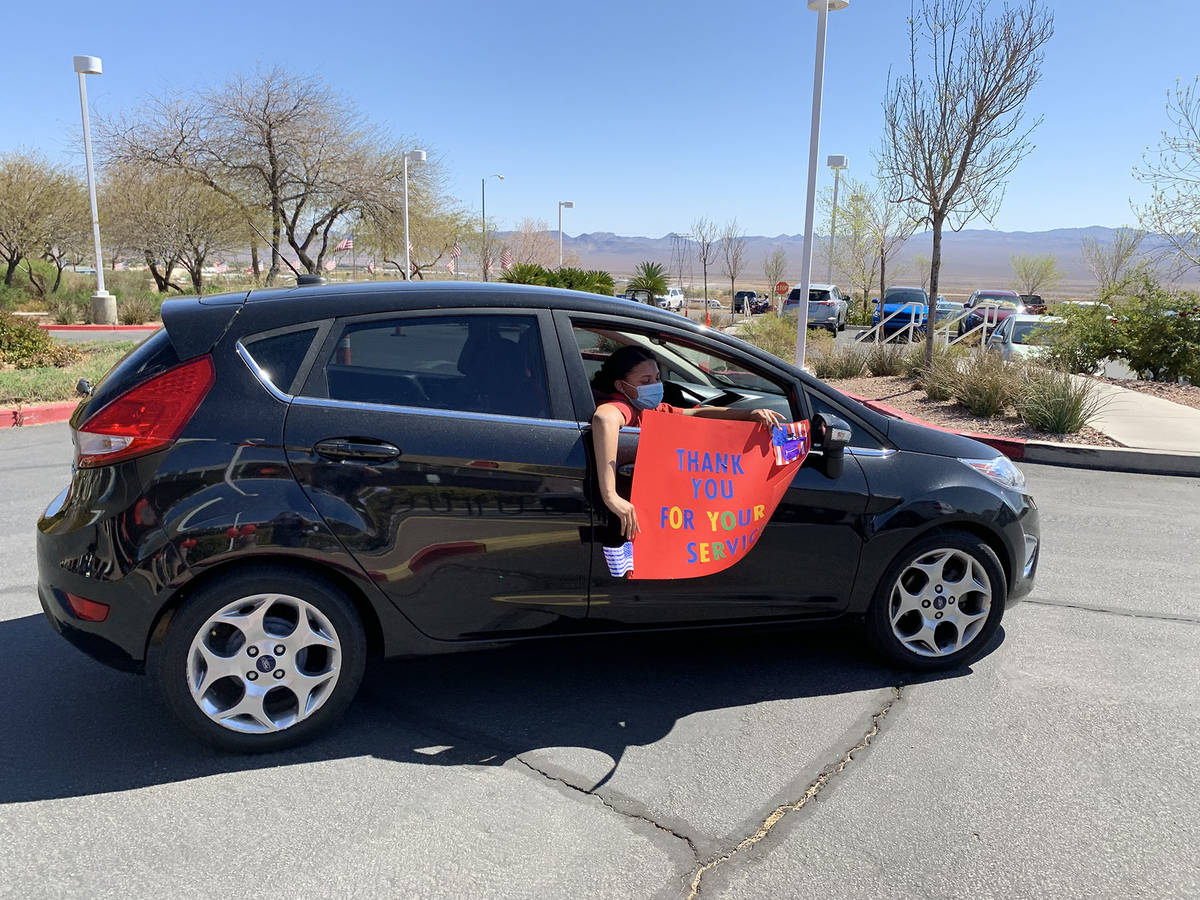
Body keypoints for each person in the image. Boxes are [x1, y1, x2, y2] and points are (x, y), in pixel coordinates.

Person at [591, 344, 784, 540]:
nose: (655, 385)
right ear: (621, 386)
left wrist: (748, 415)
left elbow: (696, 413)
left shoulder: (646, 409)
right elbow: (604, 419)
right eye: (645, 381)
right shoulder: (623, 407)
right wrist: (611, 496)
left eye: (657, 378)